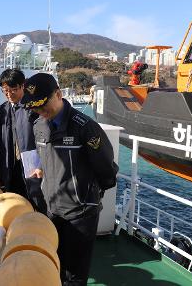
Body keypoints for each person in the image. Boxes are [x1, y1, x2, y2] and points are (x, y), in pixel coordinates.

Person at [22, 73, 118, 285]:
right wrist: (43, 172)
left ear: (58, 94)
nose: (40, 111)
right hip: (52, 209)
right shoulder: (39, 126)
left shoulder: (84, 127)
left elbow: (106, 168)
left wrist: (88, 194)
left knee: (74, 275)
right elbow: (45, 160)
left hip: (80, 212)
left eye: (43, 104)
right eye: (35, 107)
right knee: (54, 264)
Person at [0, 69, 47, 213]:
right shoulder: (2, 109)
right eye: (5, 90)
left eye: (13, 90)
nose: (9, 94)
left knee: (36, 201)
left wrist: (42, 165)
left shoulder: (33, 107)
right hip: (11, 164)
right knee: (14, 201)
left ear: (23, 86)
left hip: (32, 165)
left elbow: (45, 138)